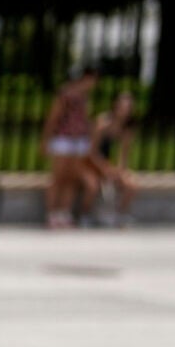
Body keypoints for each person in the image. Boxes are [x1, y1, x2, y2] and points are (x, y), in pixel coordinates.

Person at [40, 66, 98, 229]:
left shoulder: (85, 97)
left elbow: (86, 119)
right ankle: (51, 213)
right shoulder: (65, 94)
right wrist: (46, 140)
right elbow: (53, 117)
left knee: (71, 178)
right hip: (63, 139)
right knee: (58, 177)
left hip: (79, 140)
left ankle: (64, 212)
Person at [90, 89, 140, 226]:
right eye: (122, 106)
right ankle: (91, 214)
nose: (125, 110)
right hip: (95, 163)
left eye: (128, 107)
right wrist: (104, 168)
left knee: (132, 184)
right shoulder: (102, 123)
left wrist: (120, 170)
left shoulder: (128, 128)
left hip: (111, 166)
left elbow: (123, 154)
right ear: (114, 105)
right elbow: (92, 151)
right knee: (101, 185)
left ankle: (120, 214)